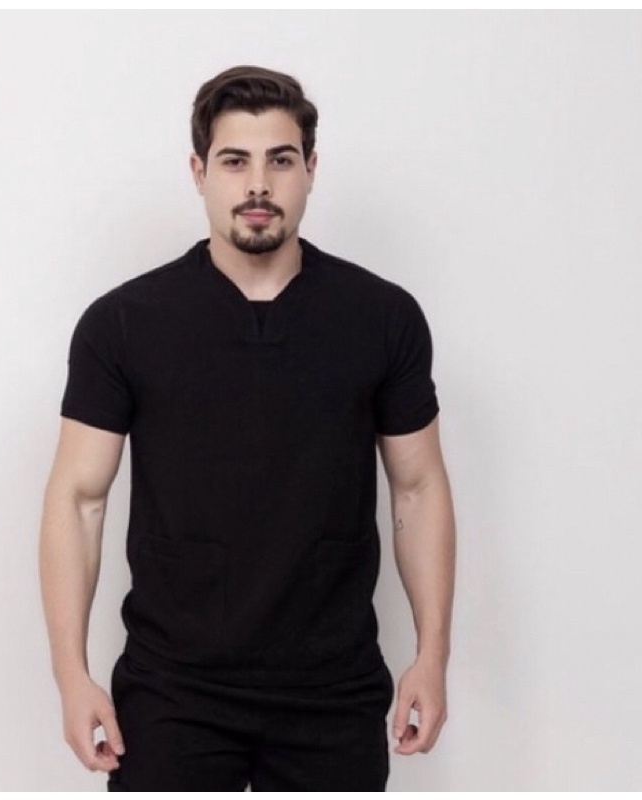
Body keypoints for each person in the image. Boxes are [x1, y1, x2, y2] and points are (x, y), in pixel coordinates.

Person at [39, 65, 455, 792]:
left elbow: (418, 489)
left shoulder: (381, 317)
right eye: (235, 161)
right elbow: (79, 499)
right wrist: (71, 676)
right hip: (172, 691)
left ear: (311, 170)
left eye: (280, 160)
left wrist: (432, 656)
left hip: (333, 691)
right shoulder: (124, 324)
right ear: (199, 172)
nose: (258, 185)